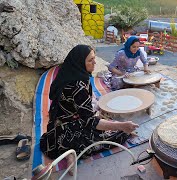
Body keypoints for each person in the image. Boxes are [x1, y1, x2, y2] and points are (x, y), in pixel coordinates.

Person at [40, 45, 139, 175]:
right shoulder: (79, 87)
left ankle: (68, 151)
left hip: (56, 126)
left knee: (104, 121)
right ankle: (72, 151)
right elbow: (91, 122)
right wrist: (122, 126)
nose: (95, 62)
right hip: (71, 128)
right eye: (90, 60)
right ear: (80, 62)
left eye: (94, 58)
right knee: (117, 134)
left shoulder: (66, 74)